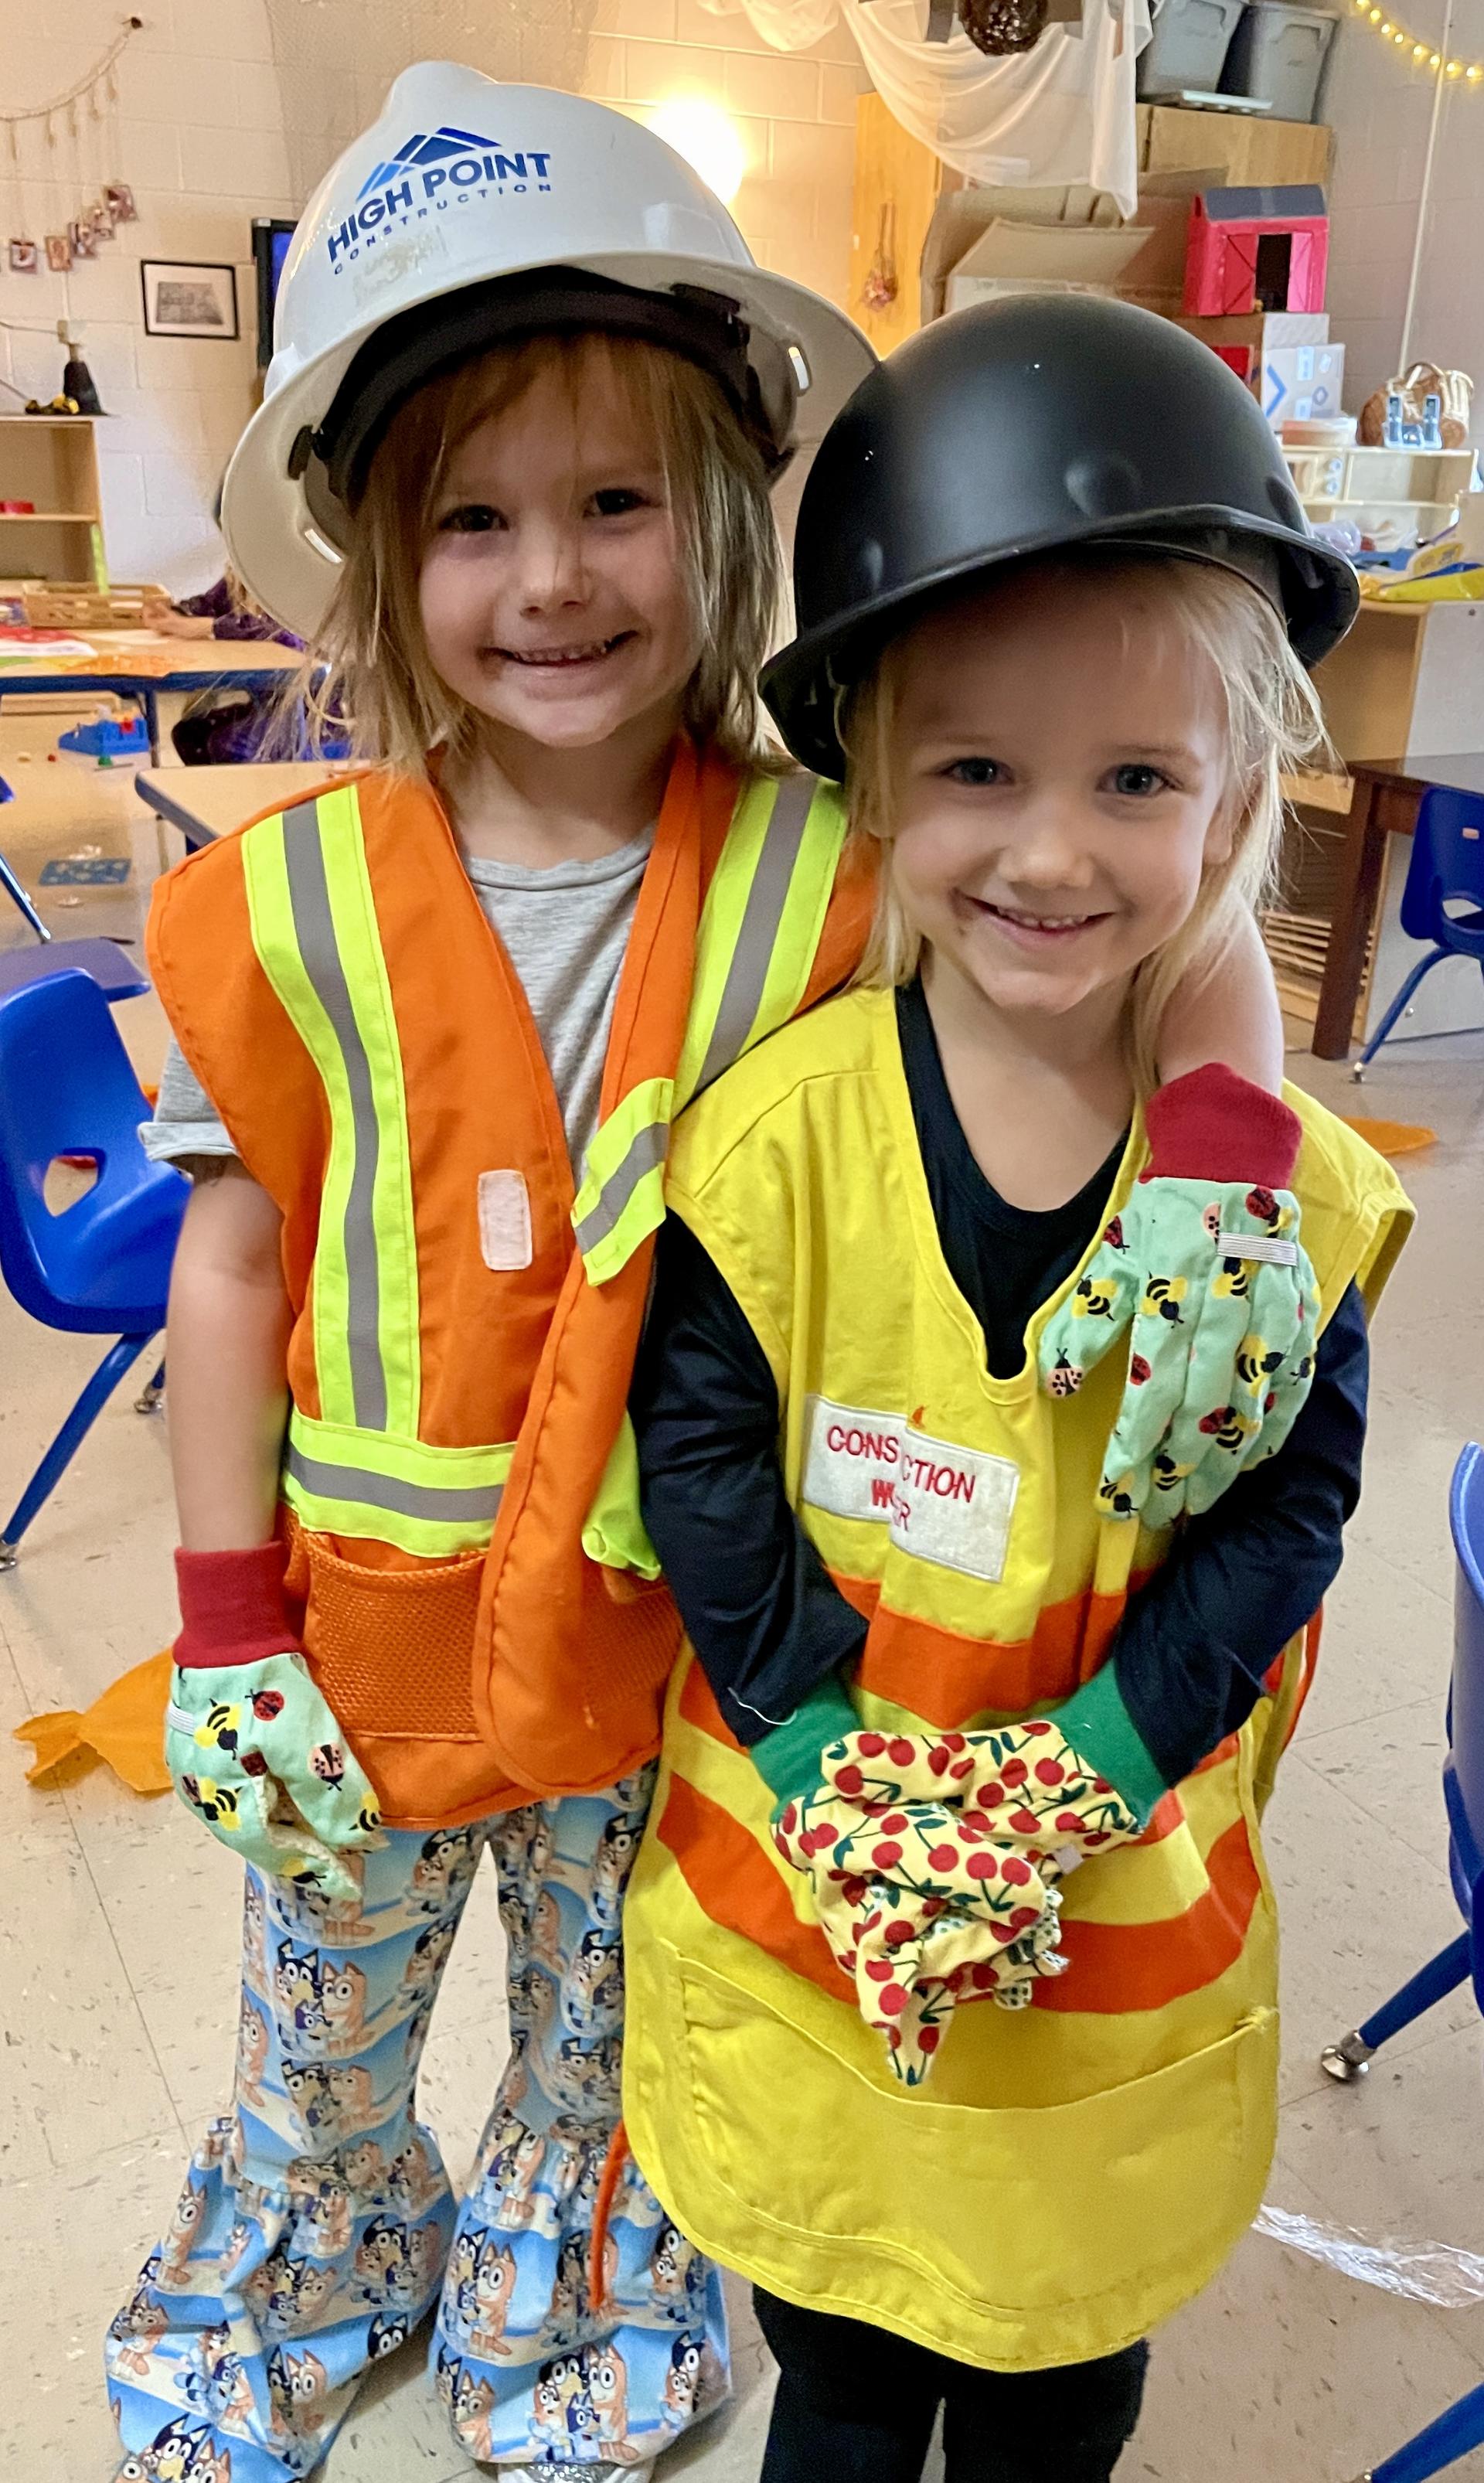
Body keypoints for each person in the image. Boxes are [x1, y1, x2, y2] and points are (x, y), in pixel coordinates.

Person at [110, 62, 1313, 2474]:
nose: (549, 576)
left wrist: (1220, 1147)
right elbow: (233, 1253)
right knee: (322, 2017)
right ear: (362, 544)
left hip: (680, 1626)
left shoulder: (846, 856)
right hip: (351, 1626)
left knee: (605, 2021)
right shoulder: (282, 897)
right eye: (470, 516)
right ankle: (325, 2255)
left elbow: (1170, 914)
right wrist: (222, 1609)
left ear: (725, 523)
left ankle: (564, 2306)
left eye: (614, 501)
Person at [621, 298, 1414, 2483]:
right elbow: (695, 1452)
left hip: (1108, 1962)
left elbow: (1285, 1514)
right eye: (977, 769)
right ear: (873, 767)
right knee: (848, 2370)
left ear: (1241, 793)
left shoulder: (1289, 1221)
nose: (1051, 854)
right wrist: (816, 1736)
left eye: (1136, 780)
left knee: (1060, 2369)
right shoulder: (777, 1144)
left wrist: (1081, 1768)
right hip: (811, 1905)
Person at [143, 567, 305, 765]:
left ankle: (258, 794)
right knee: (189, 733)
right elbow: (210, 604)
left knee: (228, 744)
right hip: (272, 702)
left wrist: (210, 627)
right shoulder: (243, 568)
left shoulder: (297, 570)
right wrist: (172, 613)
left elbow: (285, 635)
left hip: (315, 708)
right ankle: (221, 795)